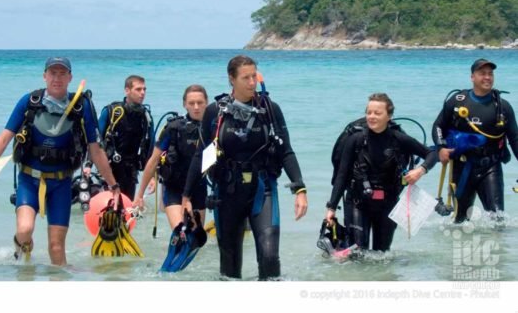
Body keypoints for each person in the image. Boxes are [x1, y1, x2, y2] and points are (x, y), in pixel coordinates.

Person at [0, 57, 121, 265]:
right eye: (53, 73)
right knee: (25, 230)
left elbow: (95, 151)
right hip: (29, 180)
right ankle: (22, 254)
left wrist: (113, 185)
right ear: (45, 76)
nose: (57, 78)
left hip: (61, 183)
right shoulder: (29, 102)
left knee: (56, 247)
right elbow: (6, 136)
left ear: (70, 78)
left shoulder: (82, 107)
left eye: (62, 73)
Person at [182, 55, 308, 280]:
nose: (252, 83)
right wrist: (187, 195)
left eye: (254, 76)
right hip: (227, 192)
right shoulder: (215, 113)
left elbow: (285, 151)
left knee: (270, 259)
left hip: (263, 189)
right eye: (246, 78)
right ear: (231, 79)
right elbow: (203, 157)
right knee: (229, 265)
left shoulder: (270, 109)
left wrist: (300, 189)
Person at [325, 93, 436, 251]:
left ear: (389, 116)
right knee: (358, 254)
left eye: (377, 113)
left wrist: (421, 170)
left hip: (388, 203)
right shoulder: (355, 140)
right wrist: (331, 208)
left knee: (382, 255)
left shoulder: (399, 139)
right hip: (358, 202)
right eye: (369, 112)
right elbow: (342, 176)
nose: (371, 116)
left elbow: (432, 154)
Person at [432, 58, 518, 224]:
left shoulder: (502, 107)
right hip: (461, 166)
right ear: (472, 77)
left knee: (498, 220)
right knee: (460, 220)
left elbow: (515, 139)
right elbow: (438, 126)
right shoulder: (457, 101)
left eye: (490, 74)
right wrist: (441, 147)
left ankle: (498, 250)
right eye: (482, 74)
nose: (487, 77)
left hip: (490, 167)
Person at [133, 84, 209, 229]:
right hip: (174, 186)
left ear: (207, 103)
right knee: (181, 232)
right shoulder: (174, 128)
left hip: (198, 187)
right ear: (184, 105)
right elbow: (153, 161)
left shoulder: (212, 128)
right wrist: (139, 195)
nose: (196, 107)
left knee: (195, 238)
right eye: (191, 103)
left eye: (200, 103)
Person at [86, 75, 154, 201]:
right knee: (107, 212)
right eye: (138, 89)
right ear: (127, 90)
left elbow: (152, 148)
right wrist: (88, 165)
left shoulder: (145, 116)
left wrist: (153, 176)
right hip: (109, 169)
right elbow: (95, 140)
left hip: (131, 172)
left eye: (144, 89)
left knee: (126, 213)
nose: (142, 93)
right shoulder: (112, 111)